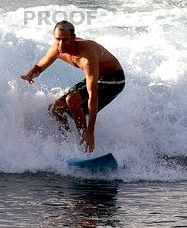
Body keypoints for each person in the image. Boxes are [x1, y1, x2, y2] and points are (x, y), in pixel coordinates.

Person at [20, 20, 125, 153]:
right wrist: (31, 74)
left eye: (65, 39)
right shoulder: (57, 48)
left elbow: (93, 95)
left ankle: (86, 143)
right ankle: (68, 146)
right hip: (97, 77)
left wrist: (90, 131)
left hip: (114, 79)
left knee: (72, 100)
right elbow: (42, 64)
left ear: (74, 38)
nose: (61, 44)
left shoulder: (86, 55)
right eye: (58, 39)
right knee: (55, 108)